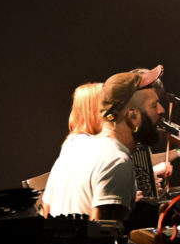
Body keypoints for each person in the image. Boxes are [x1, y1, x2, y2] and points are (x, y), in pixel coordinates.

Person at [42, 66, 165, 221]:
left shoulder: (75, 145)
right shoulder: (116, 161)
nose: (161, 110)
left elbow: (46, 209)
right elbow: (103, 237)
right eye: (154, 105)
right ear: (132, 116)